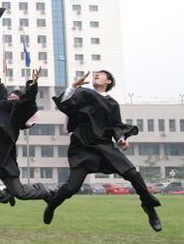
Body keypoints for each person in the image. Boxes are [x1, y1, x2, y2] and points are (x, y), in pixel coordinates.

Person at [44, 71, 162, 231]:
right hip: (83, 146)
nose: (96, 76)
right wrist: (73, 86)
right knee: (72, 187)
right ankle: (52, 205)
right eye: (95, 74)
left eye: (100, 74)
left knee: (133, 174)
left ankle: (149, 207)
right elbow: (64, 104)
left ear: (109, 81)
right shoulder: (82, 93)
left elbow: (116, 125)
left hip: (104, 146)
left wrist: (121, 140)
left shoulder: (112, 103)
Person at [0, 61, 52, 206]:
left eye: (14, 98)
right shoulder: (1, 104)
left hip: (5, 155)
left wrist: (33, 83)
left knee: (20, 193)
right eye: (10, 96)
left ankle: (41, 190)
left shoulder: (17, 111)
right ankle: (6, 197)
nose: (10, 98)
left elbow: (29, 100)